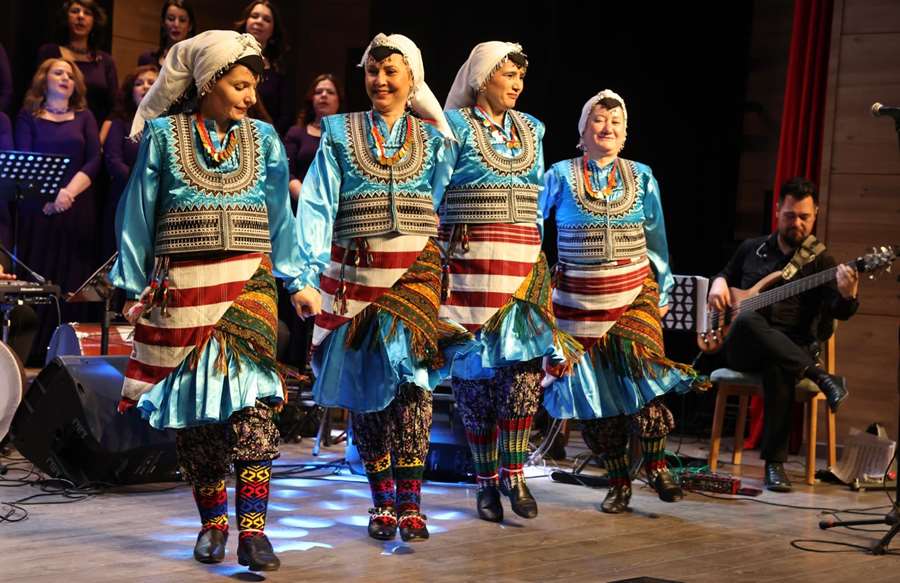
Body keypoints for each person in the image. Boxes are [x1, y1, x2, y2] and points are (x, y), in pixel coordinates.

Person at [109, 30, 304, 572]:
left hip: (248, 285)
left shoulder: (264, 139)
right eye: (240, 85)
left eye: (253, 86)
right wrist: (133, 286)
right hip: (184, 289)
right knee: (199, 414)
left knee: (253, 406)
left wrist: (297, 280)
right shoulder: (164, 137)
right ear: (208, 83)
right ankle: (213, 524)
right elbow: (138, 211)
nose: (250, 96)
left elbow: (280, 216)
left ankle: (255, 533)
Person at [294, 33, 461, 543]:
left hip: (414, 272)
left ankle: (411, 503)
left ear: (412, 80)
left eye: (391, 71)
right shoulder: (340, 132)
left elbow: (438, 194)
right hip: (358, 278)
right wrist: (308, 275)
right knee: (367, 388)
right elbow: (318, 203)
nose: (380, 81)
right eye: (372, 71)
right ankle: (382, 501)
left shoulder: (434, 140)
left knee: (413, 385)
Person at [542, 90, 705, 514]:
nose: (607, 127)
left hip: (634, 294)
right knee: (595, 395)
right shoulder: (559, 175)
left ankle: (656, 465)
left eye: (616, 121)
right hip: (577, 302)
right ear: (582, 131)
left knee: (645, 379)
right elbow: (533, 226)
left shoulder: (642, 176)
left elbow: (657, 239)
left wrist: (663, 291)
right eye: (599, 120)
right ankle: (618, 482)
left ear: (626, 133)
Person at [439, 41, 574, 523]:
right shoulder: (453, 126)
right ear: (482, 79)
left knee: (521, 377)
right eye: (508, 75)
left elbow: (535, 197)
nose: (517, 84)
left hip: (521, 265)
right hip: (469, 268)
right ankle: (484, 485)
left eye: (520, 76)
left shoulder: (532, 128)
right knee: (476, 386)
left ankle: (514, 475)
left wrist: (537, 253)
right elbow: (435, 191)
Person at [707, 177, 856, 492]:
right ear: (777, 211)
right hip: (743, 346)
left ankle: (774, 466)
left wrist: (848, 295)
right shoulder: (752, 248)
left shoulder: (822, 261)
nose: (797, 223)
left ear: (815, 215)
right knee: (747, 318)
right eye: (790, 215)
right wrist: (718, 282)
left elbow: (838, 311)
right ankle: (819, 375)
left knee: (780, 364)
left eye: (804, 217)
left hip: (790, 350)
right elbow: (726, 274)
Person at [15, 58, 101, 366]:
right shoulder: (28, 116)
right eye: (58, 72)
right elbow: (24, 157)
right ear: (44, 79)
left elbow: (94, 159)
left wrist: (67, 194)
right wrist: (49, 197)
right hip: (40, 209)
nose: (65, 78)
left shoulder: (85, 116)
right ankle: (33, 351)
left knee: (71, 277)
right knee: (38, 275)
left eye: (70, 75)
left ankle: (68, 352)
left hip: (76, 208)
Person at [101, 64, 158, 258]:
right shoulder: (120, 122)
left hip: (157, 202)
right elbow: (113, 160)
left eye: (151, 82)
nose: (145, 86)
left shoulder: (169, 123)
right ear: (131, 91)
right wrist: (139, 185)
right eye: (139, 83)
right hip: (124, 198)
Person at [37, 0, 118, 129]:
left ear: (94, 21)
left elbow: (115, 107)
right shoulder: (49, 52)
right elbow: (38, 94)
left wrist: (100, 138)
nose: (80, 16)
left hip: (97, 133)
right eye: (75, 11)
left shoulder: (106, 61)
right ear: (66, 18)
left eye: (87, 13)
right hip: (53, 129)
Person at [234, 1, 292, 134]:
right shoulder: (228, 58)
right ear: (246, 21)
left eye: (267, 19)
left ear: (273, 30)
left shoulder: (279, 69)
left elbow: (285, 116)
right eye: (254, 16)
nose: (259, 21)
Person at [284, 74, 342, 204]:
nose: (324, 95)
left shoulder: (349, 134)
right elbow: (287, 172)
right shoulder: (296, 133)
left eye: (330, 92)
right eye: (318, 92)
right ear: (312, 99)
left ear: (339, 100)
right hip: (303, 205)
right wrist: (307, 199)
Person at [137, 0, 196, 68]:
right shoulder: (147, 59)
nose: (176, 25)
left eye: (182, 20)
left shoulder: (195, 61)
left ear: (190, 26)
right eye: (171, 19)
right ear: (163, 23)